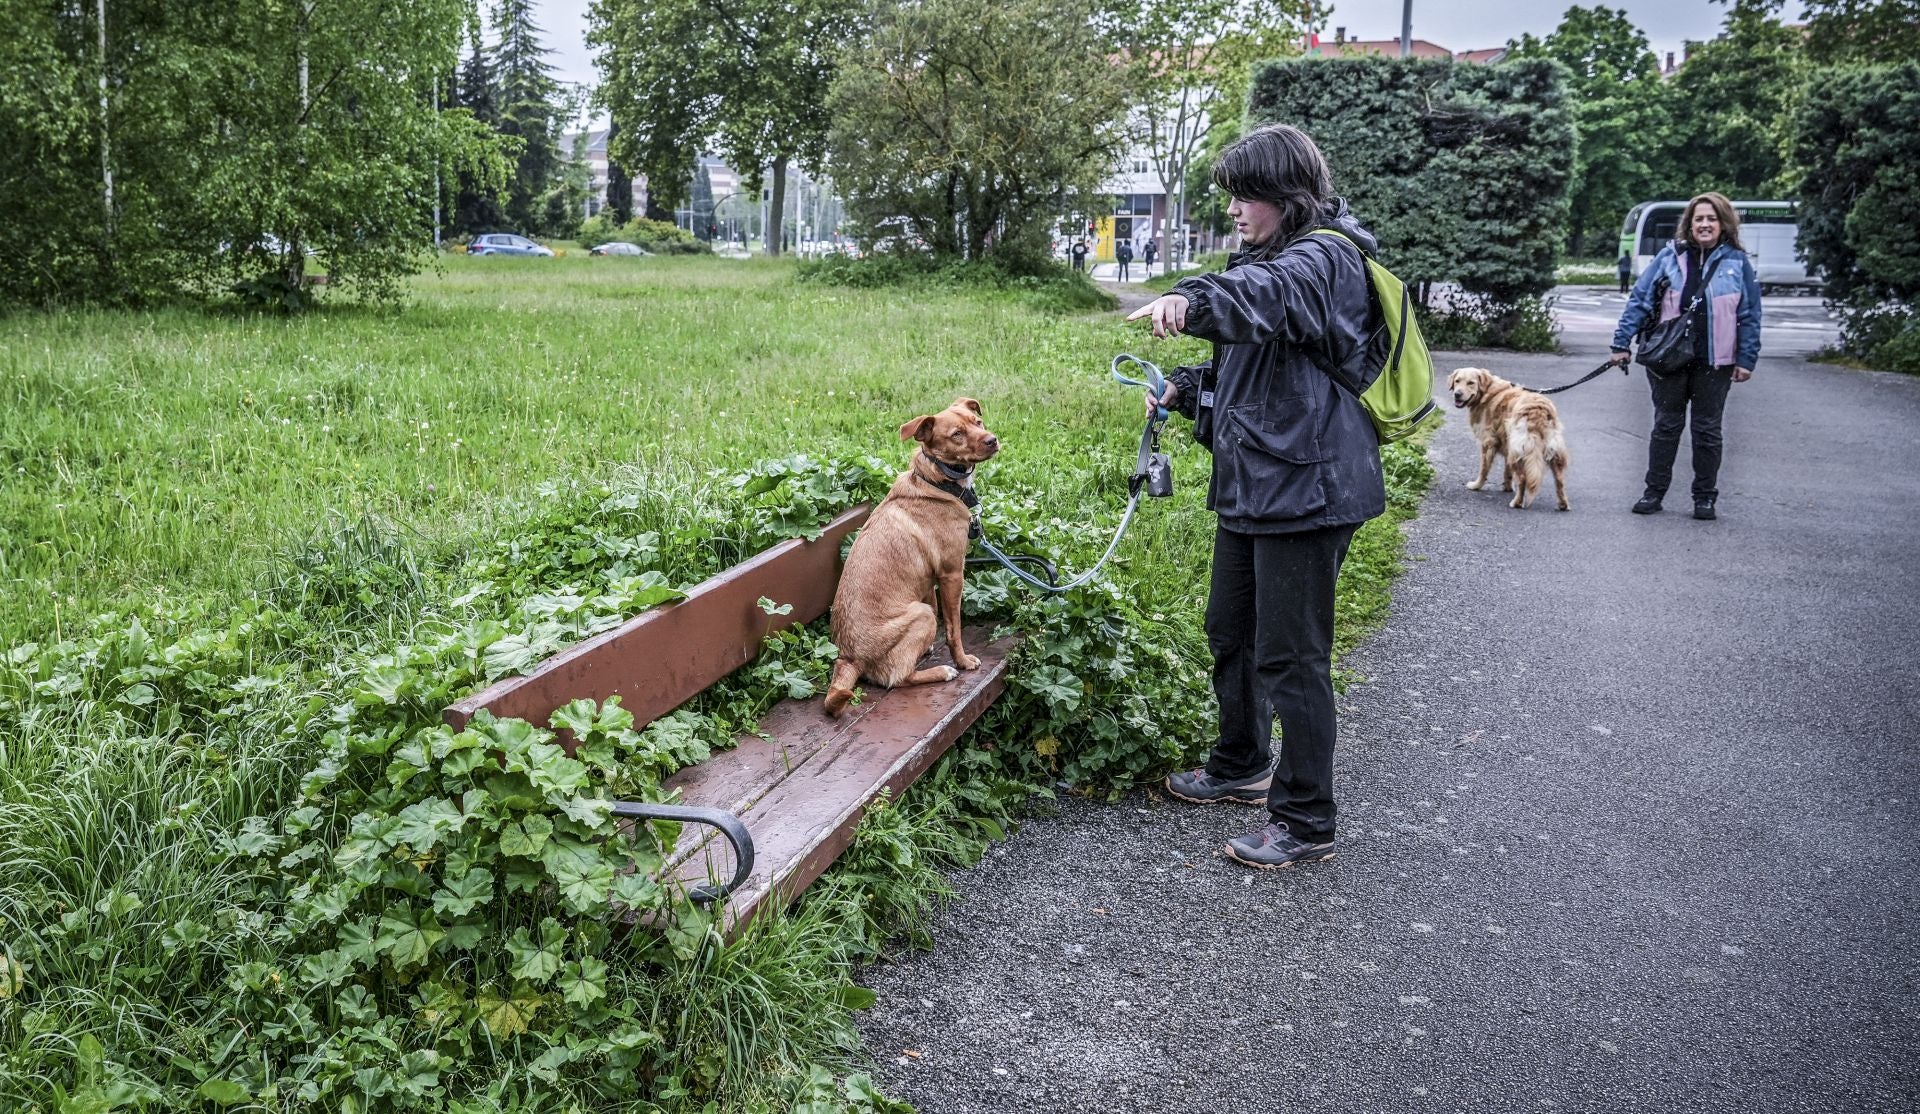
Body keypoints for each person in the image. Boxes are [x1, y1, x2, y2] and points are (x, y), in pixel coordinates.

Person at [1125, 123, 1388, 871]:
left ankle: (1306, 818)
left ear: (1287, 194)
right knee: (1230, 630)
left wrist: (1190, 299)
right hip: (1257, 481)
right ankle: (1241, 761)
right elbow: (1254, 370)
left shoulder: (1324, 259)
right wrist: (1186, 387)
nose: (1235, 208)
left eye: (1247, 195)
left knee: (1292, 655)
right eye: (1232, 195)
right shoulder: (1266, 257)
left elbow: (1262, 300)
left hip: (1311, 486)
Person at [1607, 191, 1762, 521]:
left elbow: (1750, 313)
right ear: (1689, 225)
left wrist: (1746, 358)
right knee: (1666, 426)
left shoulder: (1737, 262)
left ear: (1723, 224)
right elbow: (1640, 299)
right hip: (1669, 358)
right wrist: (1621, 343)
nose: (1705, 224)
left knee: (1707, 431)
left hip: (1714, 361)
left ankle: (1704, 498)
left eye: (1711, 218)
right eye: (1698, 219)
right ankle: (1654, 492)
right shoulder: (1670, 256)